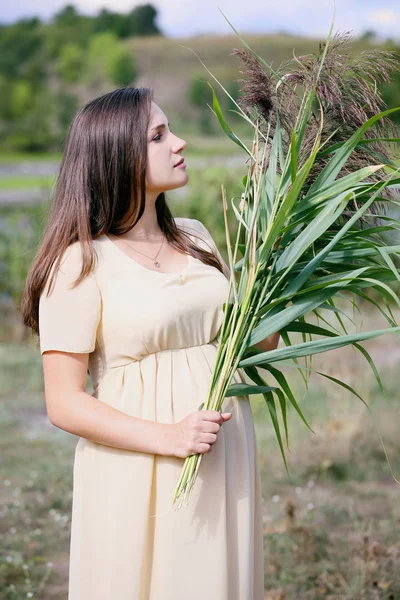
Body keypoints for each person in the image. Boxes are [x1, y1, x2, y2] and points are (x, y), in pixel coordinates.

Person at [21, 86, 280, 600]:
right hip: (142, 463)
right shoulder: (79, 262)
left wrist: (274, 275)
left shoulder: (197, 236)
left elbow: (255, 346)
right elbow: (64, 402)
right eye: (159, 136)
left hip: (220, 453)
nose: (179, 142)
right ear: (118, 156)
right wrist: (171, 438)